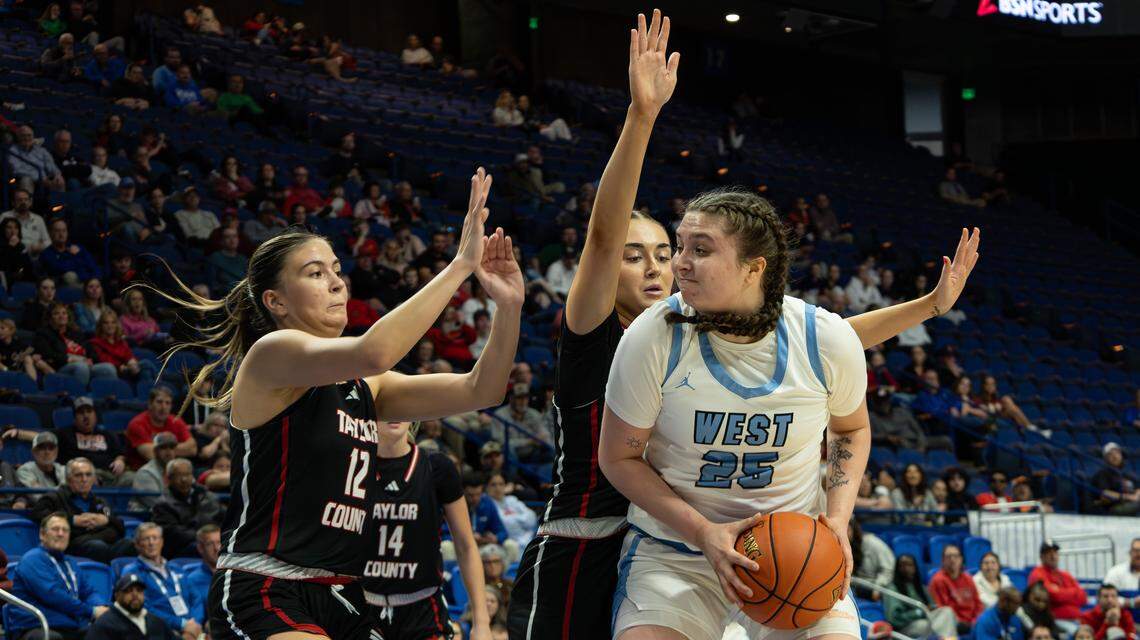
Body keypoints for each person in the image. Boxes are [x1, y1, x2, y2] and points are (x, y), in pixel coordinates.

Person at [510, 11, 983, 639]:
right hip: (598, 532)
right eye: (643, 254)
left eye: (671, 252)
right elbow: (600, 240)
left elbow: (821, 339)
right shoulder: (620, 331)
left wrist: (926, 307)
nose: (665, 266)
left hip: (720, 535)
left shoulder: (759, 325)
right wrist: (643, 115)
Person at [124, 168, 514, 638]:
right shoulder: (271, 355)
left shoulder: (367, 384)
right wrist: (458, 267)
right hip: (265, 585)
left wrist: (508, 307)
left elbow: (482, 390)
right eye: (315, 273)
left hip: (344, 594)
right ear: (277, 302)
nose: (335, 282)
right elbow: (376, 349)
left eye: (336, 270)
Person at [364, 421, 493, 640]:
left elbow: (466, 546)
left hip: (422, 608)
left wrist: (481, 622)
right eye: (387, 406)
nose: (396, 414)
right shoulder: (354, 464)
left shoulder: (437, 466)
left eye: (403, 405)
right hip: (364, 606)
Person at [7, 513, 109, 639]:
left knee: (106, 632)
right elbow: (53, 595)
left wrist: (102, 607)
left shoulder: (70, 563)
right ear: (42, 534)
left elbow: (88, 591)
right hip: (36, 627)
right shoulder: (32, 559)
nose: (61, 534)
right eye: (55, 529)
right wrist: (92, 612)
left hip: (69, 626)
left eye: (65, 530)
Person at [31, 458, 134, 562]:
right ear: (68, 479)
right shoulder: (55, 498)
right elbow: (38, 513)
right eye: (78, 475)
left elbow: (115, 520)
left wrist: (106, 519)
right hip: (76, 544)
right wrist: (72, 519)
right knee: (99, 547)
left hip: (102, 540)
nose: (84, 479)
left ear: (93, 479)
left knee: (131, 544)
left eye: (88, 475)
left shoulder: (100, 503)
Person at [121, 522, 205, 639]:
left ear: (161, 542)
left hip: (192, 627)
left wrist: (195, 623)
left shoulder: (176, 569)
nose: (151, 543)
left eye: (155, 538)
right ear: (137, 544)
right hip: (159, 631)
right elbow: (143, 608)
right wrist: (181, 624)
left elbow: (196, 598)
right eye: (146, 539)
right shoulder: (132, 572)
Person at [152, 458, 224, 557]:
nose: (184, 479)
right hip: (182, 550)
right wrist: (204, 537)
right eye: (179, 475)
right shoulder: (163, 504)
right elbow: (174, 534)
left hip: (214, 542)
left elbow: (224, 520)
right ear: (169, 479)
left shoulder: (208, 497)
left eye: (187, 474)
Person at [35, 302, 118, 386]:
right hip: (61, 367)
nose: (61, 316)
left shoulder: (75, 333)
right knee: (81, 367)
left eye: (64, 313)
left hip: (84, 363)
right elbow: (48, 355)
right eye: (56, 313)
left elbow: (90, 350)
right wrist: (71, 359)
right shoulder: (43, 334)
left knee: (108, 368)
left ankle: (110, 397)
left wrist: (91, 360)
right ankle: (79, 396)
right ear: (49, 318)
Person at [883, 554, 960, 639]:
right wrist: (919, 612)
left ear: (915, 568)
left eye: (910, 565)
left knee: (947, 611)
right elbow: (894, 619)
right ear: (897, 568)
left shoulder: (920, 587)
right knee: (928, 624)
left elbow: (932, 607)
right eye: (902, 565)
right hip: (905, 628)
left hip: (927, 621)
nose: (907, 568)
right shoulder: (892, 588)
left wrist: (932, 608)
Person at [85, 572, 174, 640]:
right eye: (128, 591)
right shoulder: (104, 624)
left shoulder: (156, 622)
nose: (135, 594)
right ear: (117, 596)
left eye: (139, 590)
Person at [126, 387, 197, 469]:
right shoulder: (137, 424)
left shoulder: (175, 421)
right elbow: (151, 454)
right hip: (142, 470)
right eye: (159, 402)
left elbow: (193, 449)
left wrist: (162, 450)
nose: (163, 407)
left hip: (173, 470)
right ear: (150, 404)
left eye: (168, 403)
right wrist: (178, 449)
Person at [1028, 540, 1087, 633]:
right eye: (1049, 553)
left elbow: (1083, 597)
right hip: (1055, 621)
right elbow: (1053, 596)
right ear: (1041, 557)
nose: (1053, 556)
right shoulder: (1037, 574)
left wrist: (1060, 591)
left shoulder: (1065, 575)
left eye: (1055, 552)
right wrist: (1073, 592)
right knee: (1078, 634)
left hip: (1077, 619)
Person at [930, 544, 985, 634]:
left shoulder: (968, 578)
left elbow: (977, 603)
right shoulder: (938, 580)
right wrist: (962, 623)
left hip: (972, 622)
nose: (952, 559)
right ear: (943, 560)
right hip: (954, 623)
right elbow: (943, 609)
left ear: (961, 559)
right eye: (948, 556)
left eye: (956, 556)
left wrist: (975, 621)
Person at [39, 218, 100, 286]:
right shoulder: (46, 254)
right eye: (57, 231)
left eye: (64, 231)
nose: (61, 234)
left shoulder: (78, 249)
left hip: (88, 284)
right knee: (69, 276)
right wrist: (76, 257)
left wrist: (91, 279)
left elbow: (94, 268)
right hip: (66, 288)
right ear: (50, 233)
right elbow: (61, 269)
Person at [7, 125, 65, 192]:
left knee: (60, 181)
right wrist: (41, 179)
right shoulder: (13, 151)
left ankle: (61, 202)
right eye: (23, 135)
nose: (26, 138)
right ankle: (26, 202)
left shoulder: (41, 150)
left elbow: (51, 165)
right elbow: (17, 171)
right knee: (26, 180)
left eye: (29, 135)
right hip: (23, 180)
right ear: (18, 137)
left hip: (45, 181)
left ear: (33, 136)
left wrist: (57, 175)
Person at [131, 432, 179, 510]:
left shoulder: (179, 469)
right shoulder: (145, 473)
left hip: (173, 516)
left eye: (172, 448)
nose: (168, 452)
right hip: (145, 517)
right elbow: (159, 504)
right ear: (155, 451)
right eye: (163, 448)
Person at [850, 518, 894, 601]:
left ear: (853, 529)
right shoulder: (845, 545)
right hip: (858, 585)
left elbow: (887, 570)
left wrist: (877, 589)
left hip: (879, 587)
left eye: (847, 529)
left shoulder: (872, 543)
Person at [1092, 442, 1140, 515]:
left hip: (1131, 505)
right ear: (1105, 459)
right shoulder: (1102, 474)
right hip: (1113, 507)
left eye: (1117, 453)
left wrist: (1137, 494)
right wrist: (1128, 497)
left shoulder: (1126, 474)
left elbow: (1137, 488)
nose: (1115, 456)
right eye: (1110, 454)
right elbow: (1105, 494)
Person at [1, 187, 51, 255]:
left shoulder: (38, 219)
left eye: (26, 199)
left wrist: (40, 246)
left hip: (36, 256)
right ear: (13, 203)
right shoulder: (4, 217)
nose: (23, 202)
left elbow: (48, 241)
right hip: (13, 255)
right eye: (20, 200)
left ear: (30, 202)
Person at [184, 524, 221, 615]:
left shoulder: (235, 573)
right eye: (210, 544)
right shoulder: (191, 580)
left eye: (219, 542)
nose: (216, 548)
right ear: (200, 548)